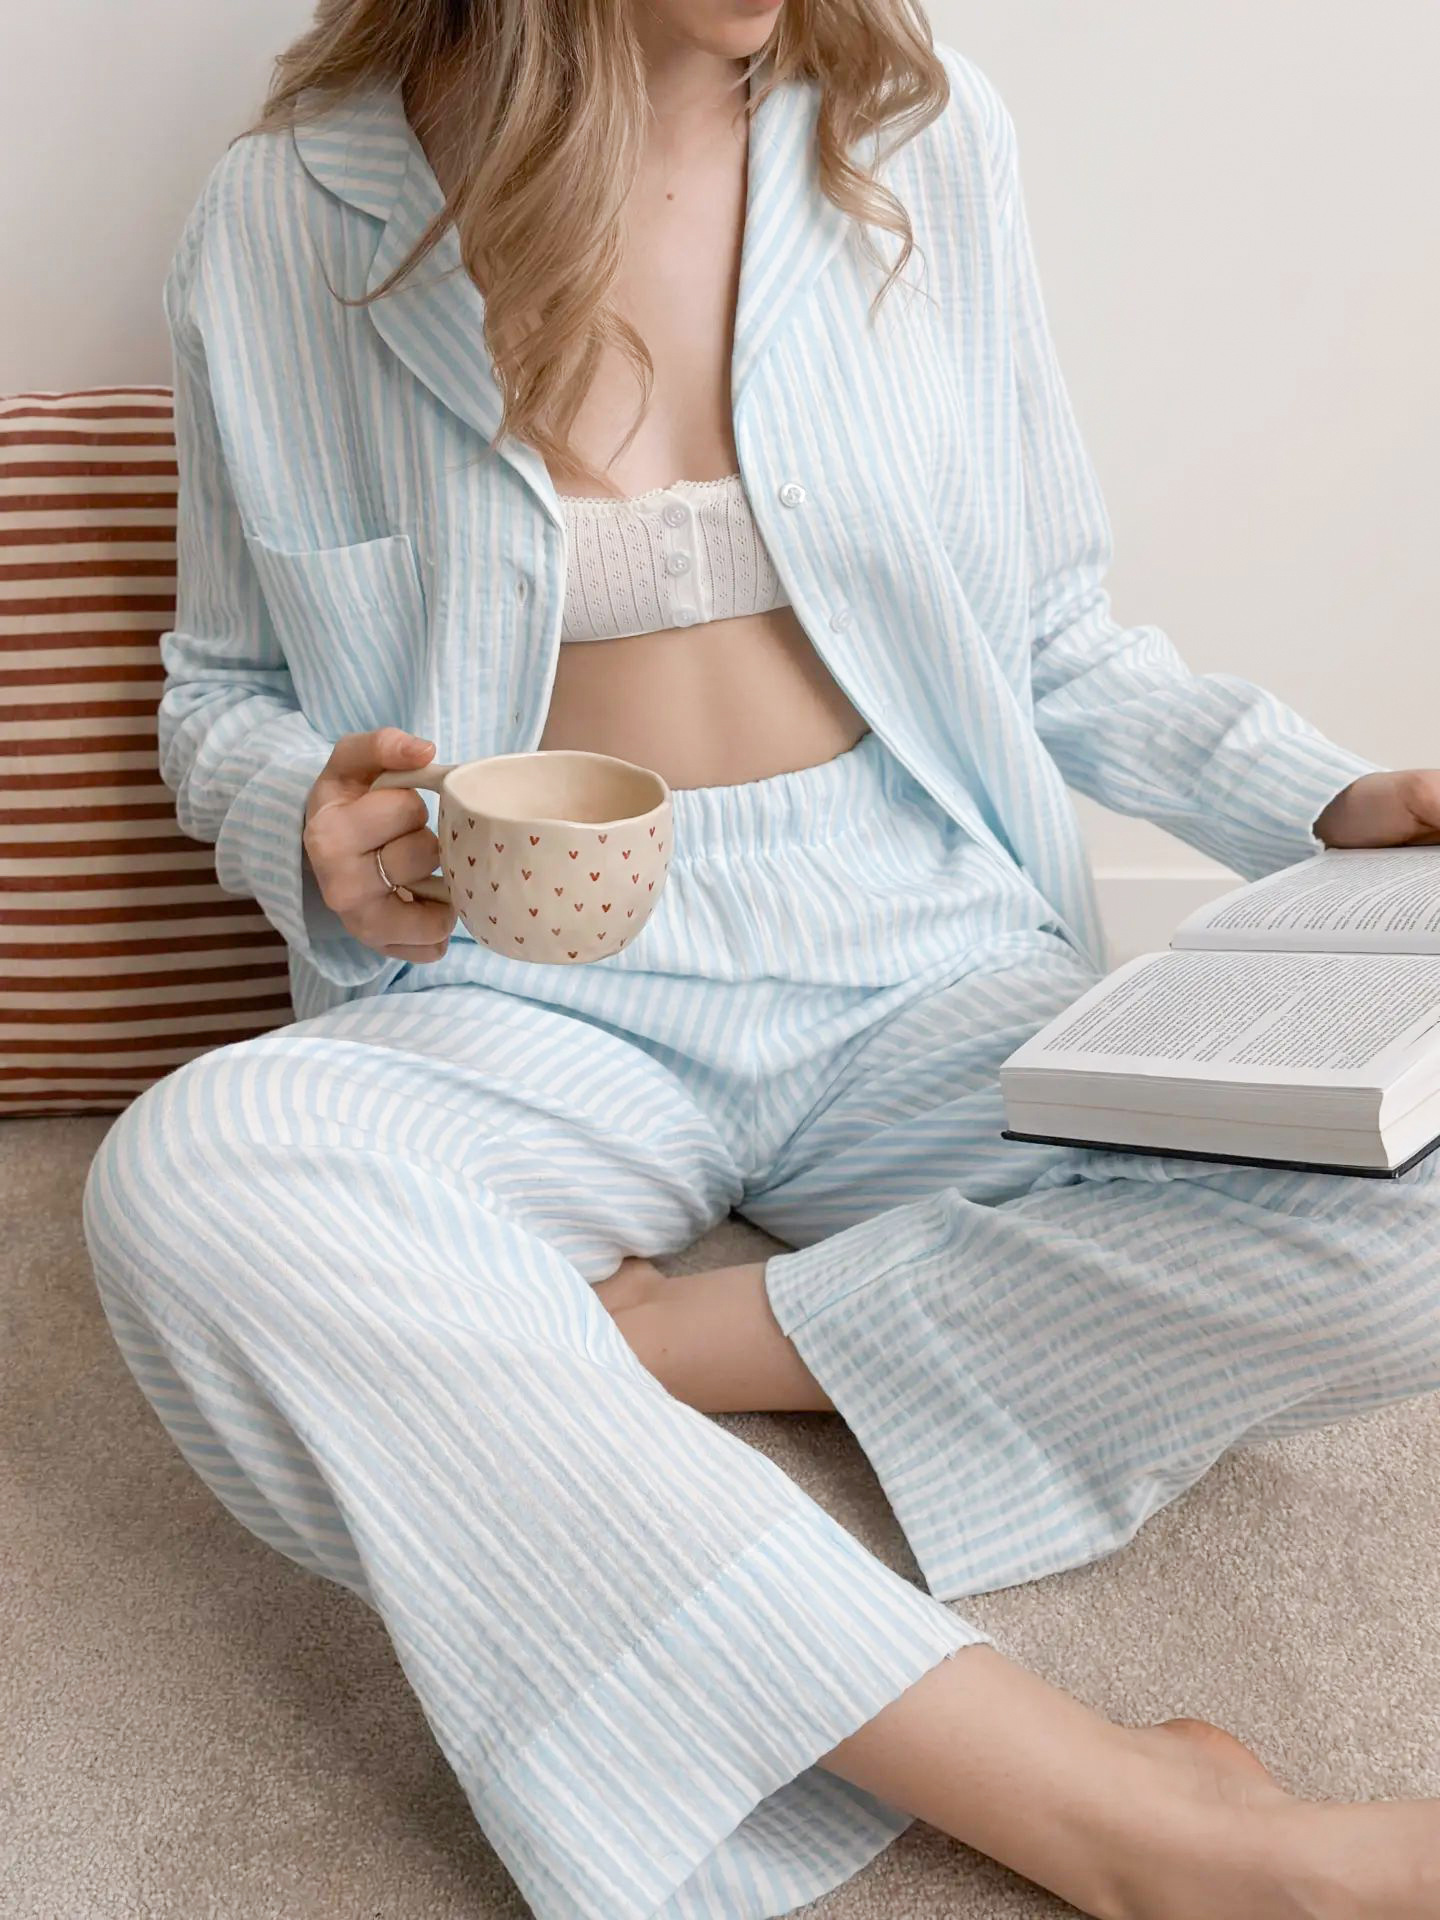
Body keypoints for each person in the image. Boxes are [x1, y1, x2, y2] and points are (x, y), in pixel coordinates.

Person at [81, 1, 1440, 1914]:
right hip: (520, 983)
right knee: (192, 1177)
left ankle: (652, 1343)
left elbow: (1050, 629)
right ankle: (1134, 1819)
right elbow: (217, 689)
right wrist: (302, 811)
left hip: (922, 943)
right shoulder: (290, 209)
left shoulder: (921, 141)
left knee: (1411, 1178)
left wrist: (1328, 803)